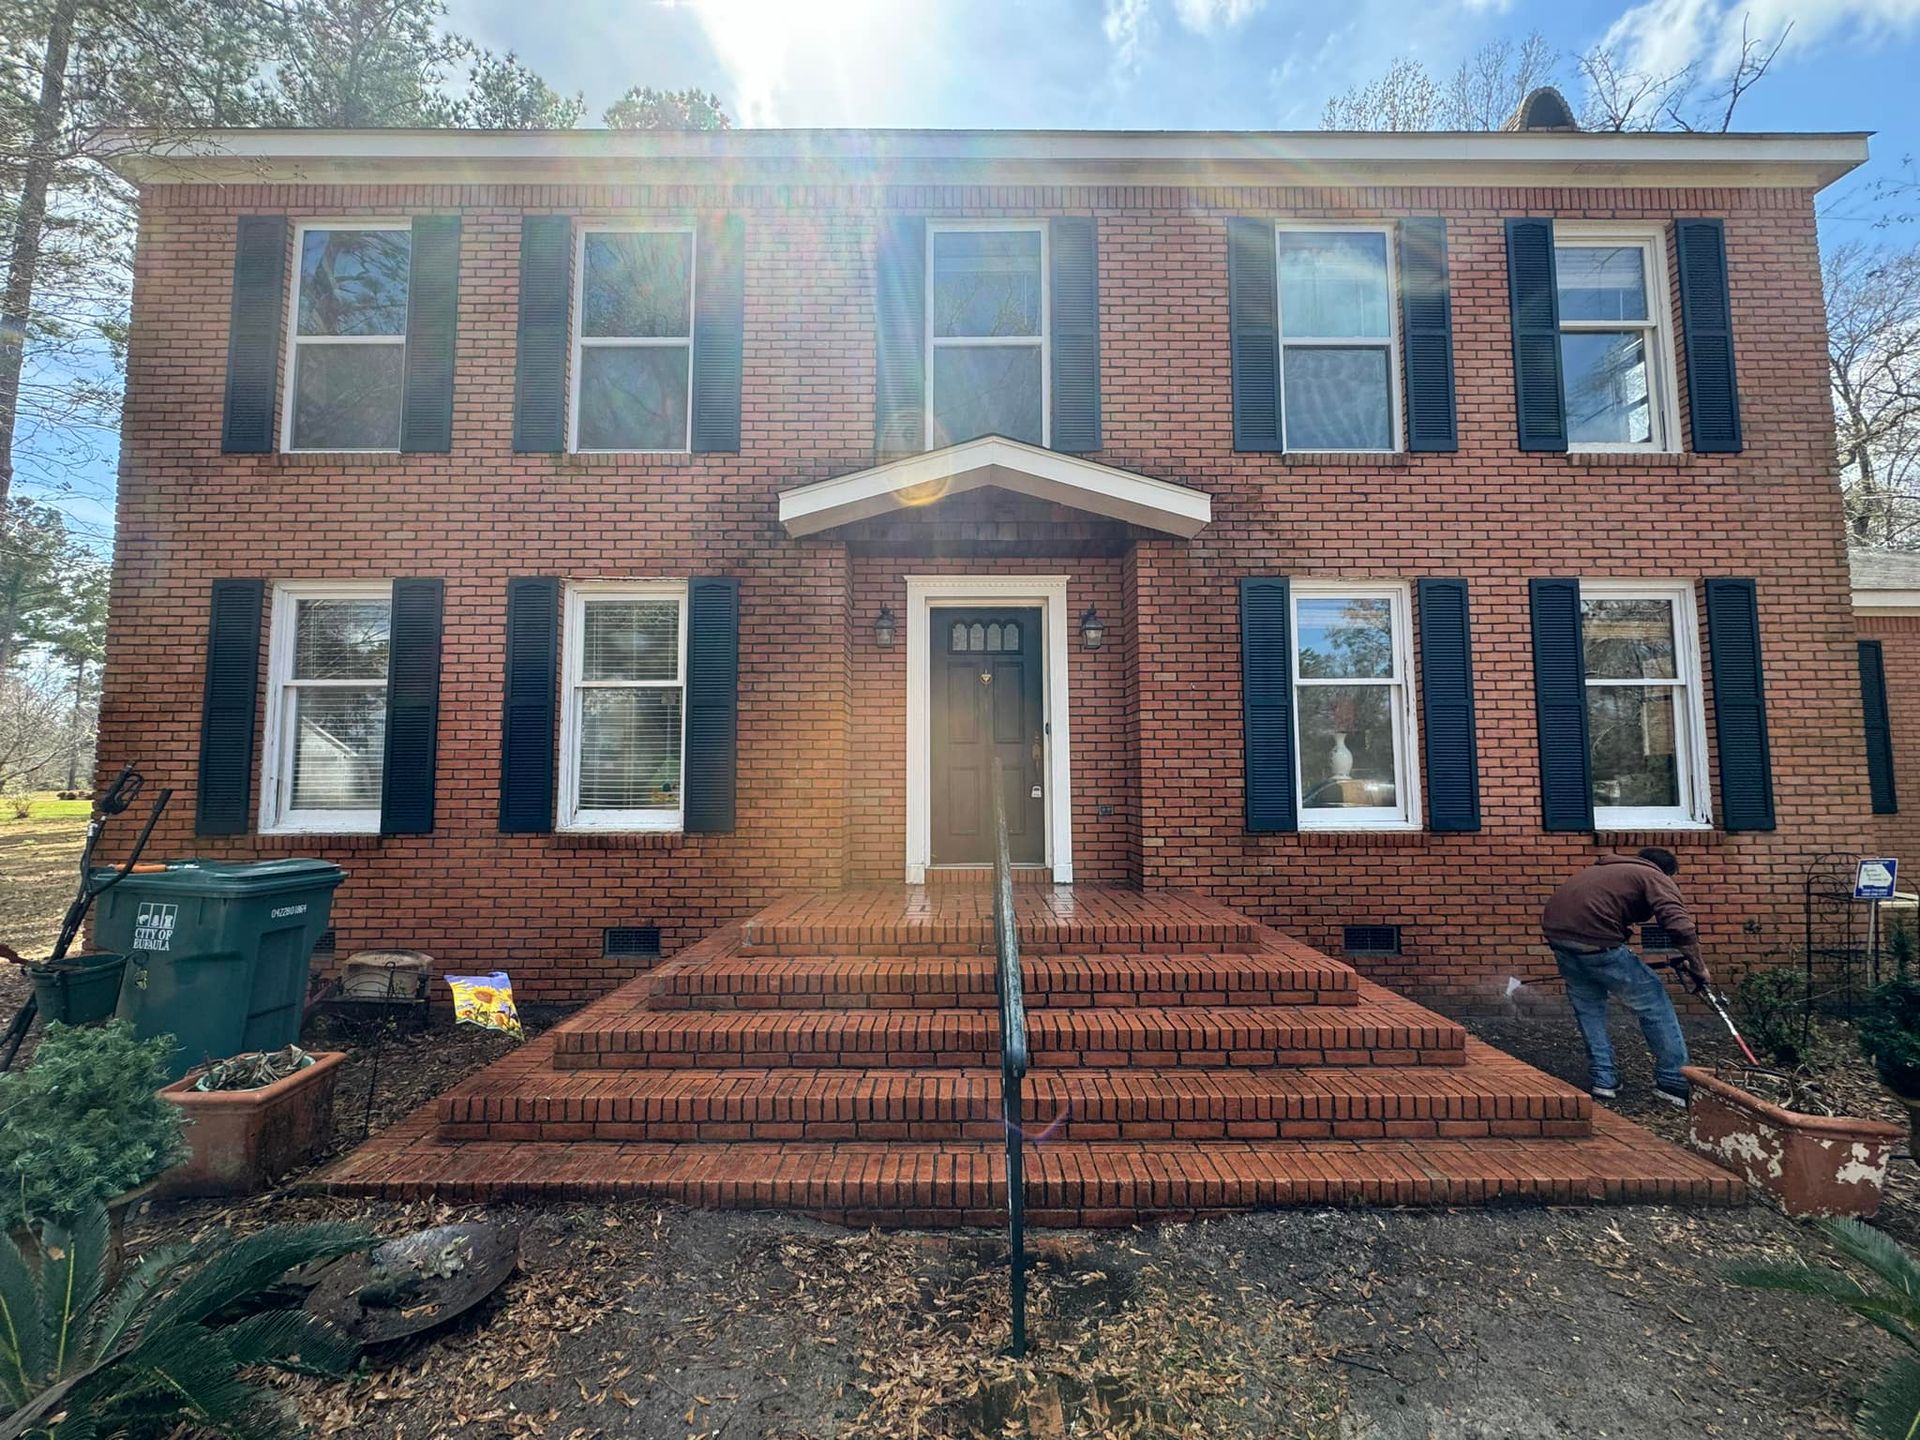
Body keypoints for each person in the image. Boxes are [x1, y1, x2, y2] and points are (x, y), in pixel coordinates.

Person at [1539, 848, 1709, 1106]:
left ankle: (1603, 1079)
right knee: (1653, 1002)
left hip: (1561, 940)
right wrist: (1698, 966)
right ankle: (1673, 1082)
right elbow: (1679, 924)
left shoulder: (1603, 870)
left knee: (1589, 1009)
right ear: (1667, 871)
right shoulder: (1653, 875)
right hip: (1598, 941)